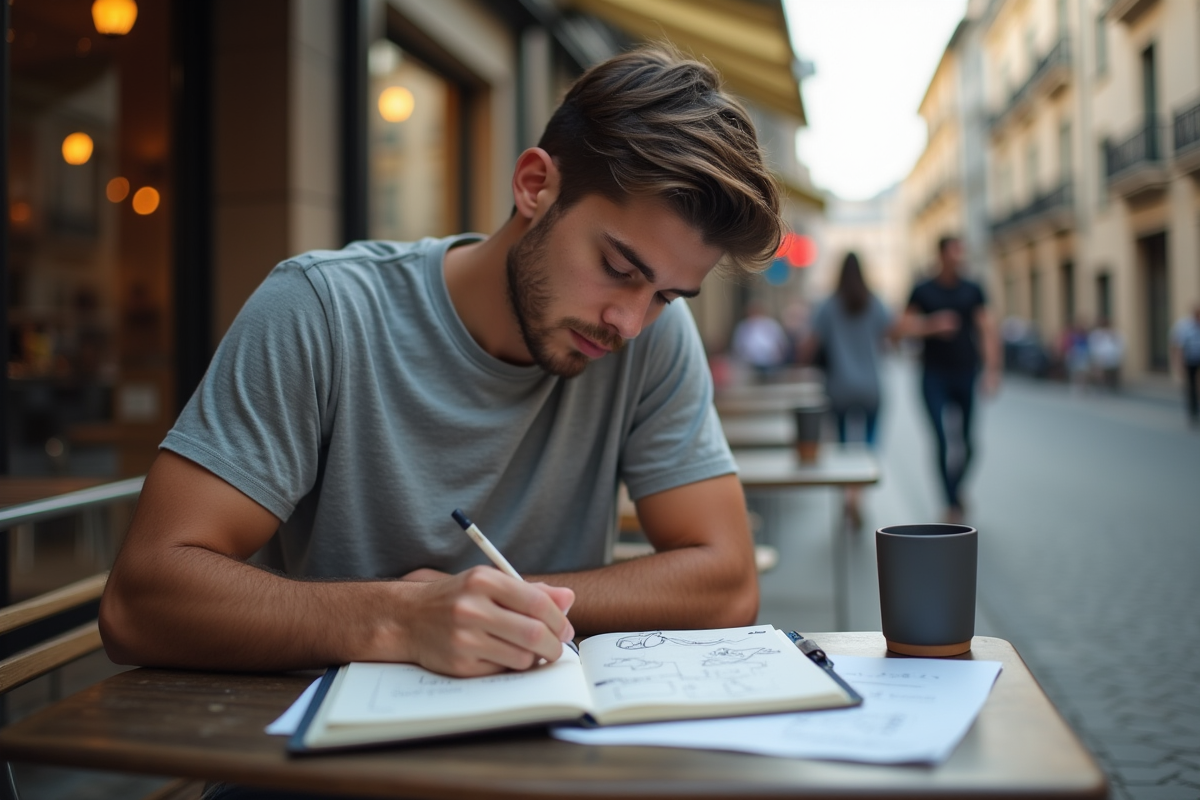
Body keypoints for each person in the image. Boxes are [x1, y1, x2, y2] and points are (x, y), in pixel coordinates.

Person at [99, 48, 782, 683]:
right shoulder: (322, 310)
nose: (631, 322)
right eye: (616, 268)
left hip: (542, 750)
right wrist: (399, 617)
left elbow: (726, 580)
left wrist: (497, 607)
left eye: (665, 294)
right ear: (535, 184)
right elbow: (143, 600)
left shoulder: (653, 340)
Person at [899, 236, 1000, 524]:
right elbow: (901, 329)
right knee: (941, 441)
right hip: (933, 375)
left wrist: (992, 370)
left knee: (969, 444)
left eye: (962, 252)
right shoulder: (922, 290)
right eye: (955, 252)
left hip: (966, 373)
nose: (959, 257)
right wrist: (931, 326)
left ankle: (955, 491)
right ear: (941, 255)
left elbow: (986, 329)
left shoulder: (973, 289)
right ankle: (950, 504)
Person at [804, 252, 895, 527]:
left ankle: (847, 494)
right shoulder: (875, 302)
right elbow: (889, 337)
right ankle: (858, 497)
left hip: (839, 387)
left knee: (843, 446)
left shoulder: (828, 305)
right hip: (870, 386)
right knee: (868, 446)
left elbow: (810, 345)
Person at [731, 302, 790, 382]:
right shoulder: (743, 326)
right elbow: (738, 345)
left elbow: (781, 342)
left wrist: (779, 357)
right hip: (750, 362)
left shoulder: (771, 324)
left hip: (771, 362)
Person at [1170, 305, 1200, 427]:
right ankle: (1192, 412)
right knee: (1191, 386)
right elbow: (1178, 346)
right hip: (1190, 360)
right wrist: (1178, 363)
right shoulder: (1184, 326)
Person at [1087, 318, 1124, 391]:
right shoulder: (1097, 334)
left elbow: (1120, 344)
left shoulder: (1114, 333)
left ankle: (1113, 386)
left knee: (1113, 373)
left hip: (1113, 357)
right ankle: (1102, 386)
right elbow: (1093, 345)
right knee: (1101, 374)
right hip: (1101, 358)